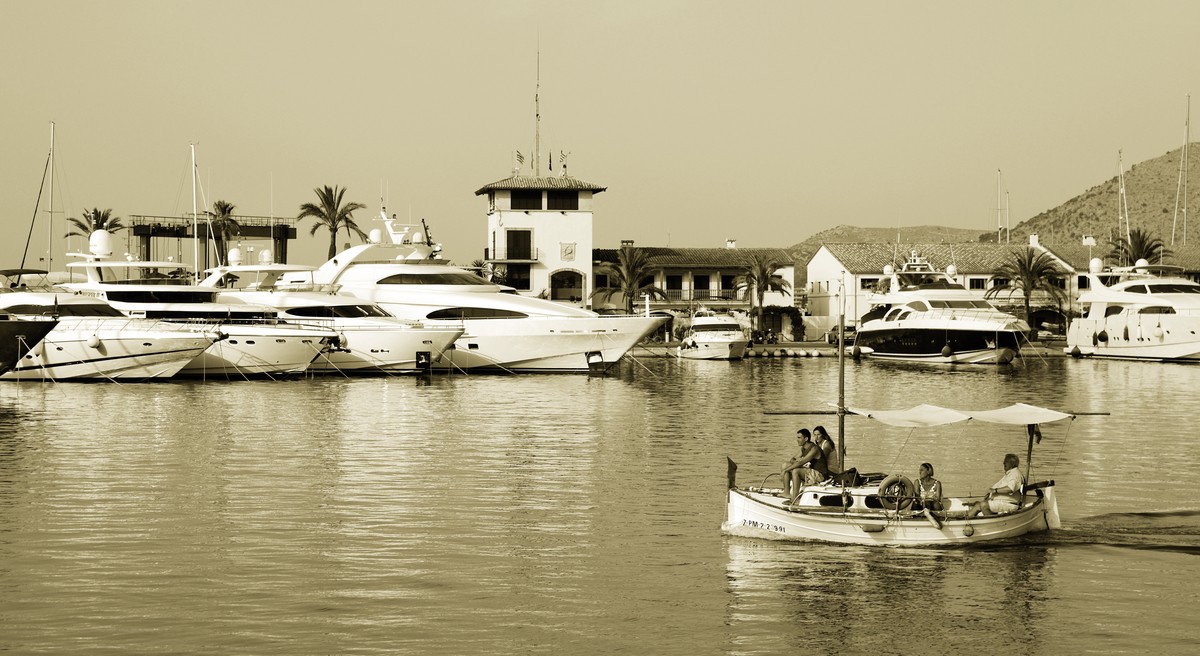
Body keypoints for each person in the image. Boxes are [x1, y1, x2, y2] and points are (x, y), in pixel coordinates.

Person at [967, 453, 1024, 518]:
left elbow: (1010, 488)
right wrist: (990, 494)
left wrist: (994, 490)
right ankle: (964, 520)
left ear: (1013, 463)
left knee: (983, 505)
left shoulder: (1015, 474)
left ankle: (993, 524)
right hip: (1001, 501)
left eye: (1006, 461)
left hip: (1009, 504)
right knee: (977, 505)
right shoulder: (1010, 473)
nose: (1003, 463)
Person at [782, 429, 828, 503]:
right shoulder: (803, 448)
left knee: (795, 471)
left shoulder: (814, 448)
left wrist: (785, 470)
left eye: (799, 438)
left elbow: (801, 462)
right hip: (811, 472)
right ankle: (786, 493)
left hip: (820, 475)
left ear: (806, 439)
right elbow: (792, 459)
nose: (797, 440)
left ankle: (795, 499)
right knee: (785, 465)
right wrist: (795, 461)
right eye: (797, 437)